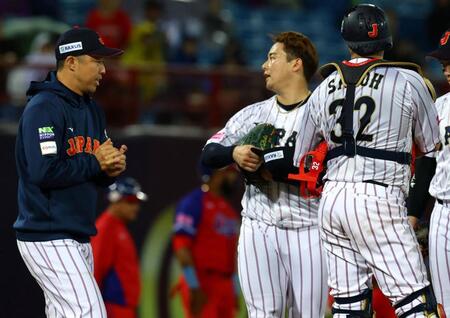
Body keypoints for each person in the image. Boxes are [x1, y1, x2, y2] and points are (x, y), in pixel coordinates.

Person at [292, 4, 442, 317]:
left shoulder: (323, 88)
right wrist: (415, 210)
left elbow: (300, 154)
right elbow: (430, 150)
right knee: (415, 301)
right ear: (386, 40)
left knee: (349, 305)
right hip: (379, 196)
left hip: (332, 201)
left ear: (347, 41)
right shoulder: (409, 80)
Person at [201, 31, 328, 317]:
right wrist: (235, 152)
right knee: (262, 313)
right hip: (259, 226)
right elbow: (208, 154)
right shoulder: (253, 114)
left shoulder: (322, 115)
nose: (264, 65)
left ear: (296, 64)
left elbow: (329, 171)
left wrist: (280, 169)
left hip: (308, 227)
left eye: (272, 57)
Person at [14, 26, 127, 317]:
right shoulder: (44, 108)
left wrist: (109, 169)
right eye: (97, 60)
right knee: (89, 313)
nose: (104, 69)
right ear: (72, 62)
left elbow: (92, 173)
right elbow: (44, 171)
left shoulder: (92, 110)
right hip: (47, 234)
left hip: (77, 234)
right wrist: (96, 162)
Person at [411, 27, 450, 316]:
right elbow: (427, 162)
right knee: (444, 304)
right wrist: (415, 214)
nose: (446, 69)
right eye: (444, 63)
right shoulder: (439, 106)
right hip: (443, 213)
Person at [172, 163, 240, 318]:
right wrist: (193, 285)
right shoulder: (193, 203)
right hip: (202, 282)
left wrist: (234, 290)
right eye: (228, 172)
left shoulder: (228, 209)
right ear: (214, 174)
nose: (233, 177)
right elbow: (181, 247)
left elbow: (234, 256)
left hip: (225, 285)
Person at [91, 177, 148, 318]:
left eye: (136, 202)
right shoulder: (105, 227)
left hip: (123, 307)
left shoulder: (118, 226)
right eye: (130, 202)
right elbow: (96, 269)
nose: (135, 207)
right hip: (112, 307)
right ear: (115, 200)